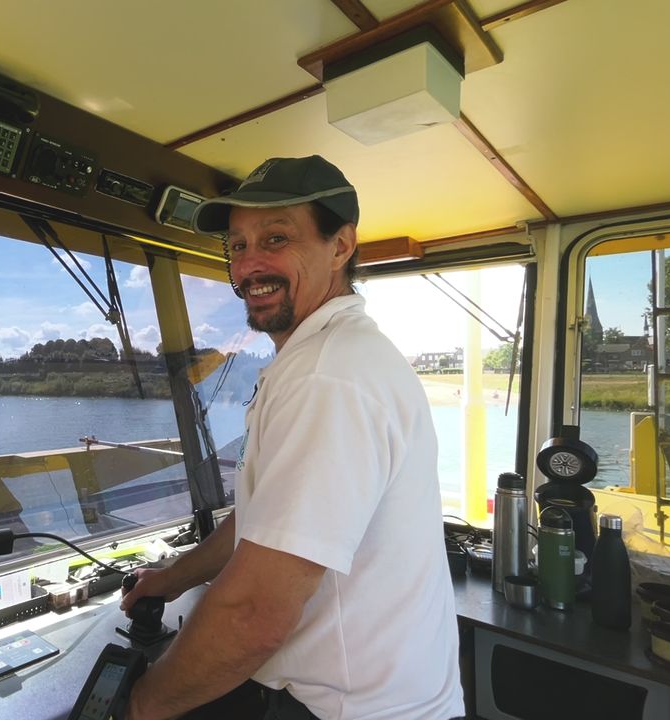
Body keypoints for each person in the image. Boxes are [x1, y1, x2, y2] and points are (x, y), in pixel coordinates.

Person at [121, 155, 464, 720]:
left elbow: (253, 613)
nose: (249, 264)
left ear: (340, 246)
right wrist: (171, 579)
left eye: (275, 238)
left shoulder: (328, 376)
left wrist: (137, 706)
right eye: (236, 246)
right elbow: (264, 519)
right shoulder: (322, 357)